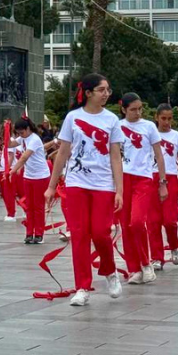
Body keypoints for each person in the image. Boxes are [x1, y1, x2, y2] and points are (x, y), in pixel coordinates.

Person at [45, 73, 125, 307]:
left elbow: (116, 157)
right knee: (79, 234)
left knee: (100, 232)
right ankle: (82, 286)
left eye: (108, 90)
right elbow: (63, 152)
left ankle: (110, 271)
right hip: (77, 182)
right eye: (102, 90)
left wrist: (119, 190)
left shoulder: (111, 120)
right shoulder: (73, 118)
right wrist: (51, 186)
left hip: (103, 184)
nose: (106, 94)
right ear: (88, 93)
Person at [117, 93, 167, 282]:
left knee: (137, 222)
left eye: (140, 109)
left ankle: (146, 263)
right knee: (125, 225)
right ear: (124, 109)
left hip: (144, 179)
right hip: (123, 179)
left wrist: (162, 183)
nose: (138, 113)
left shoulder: (149, 127)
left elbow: (159, 156)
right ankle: (134, 269)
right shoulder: (117, 127)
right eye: (133, 109)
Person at [153, 104, 178, 265]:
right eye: (163, 118)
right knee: (153, 221)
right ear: (156, 118)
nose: (166, 122)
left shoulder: (177, 136)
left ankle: (174, 246)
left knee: (169, 220)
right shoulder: (149, 133)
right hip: (151, 177)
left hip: (170, 178)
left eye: (169, 118)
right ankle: (156, 256)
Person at [10, 118, 51, 245]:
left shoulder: (34, 139)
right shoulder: (22, 138)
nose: (20, 135)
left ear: (28, 129)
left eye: (22, 132)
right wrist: (6, 132)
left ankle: (39, 233)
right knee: (29, 207)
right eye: (18, 133)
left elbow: (24, 157)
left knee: (38, 207)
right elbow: (9, 145)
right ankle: (29, 233)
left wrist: (12, 170)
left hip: (41, 176)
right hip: (29, 176)